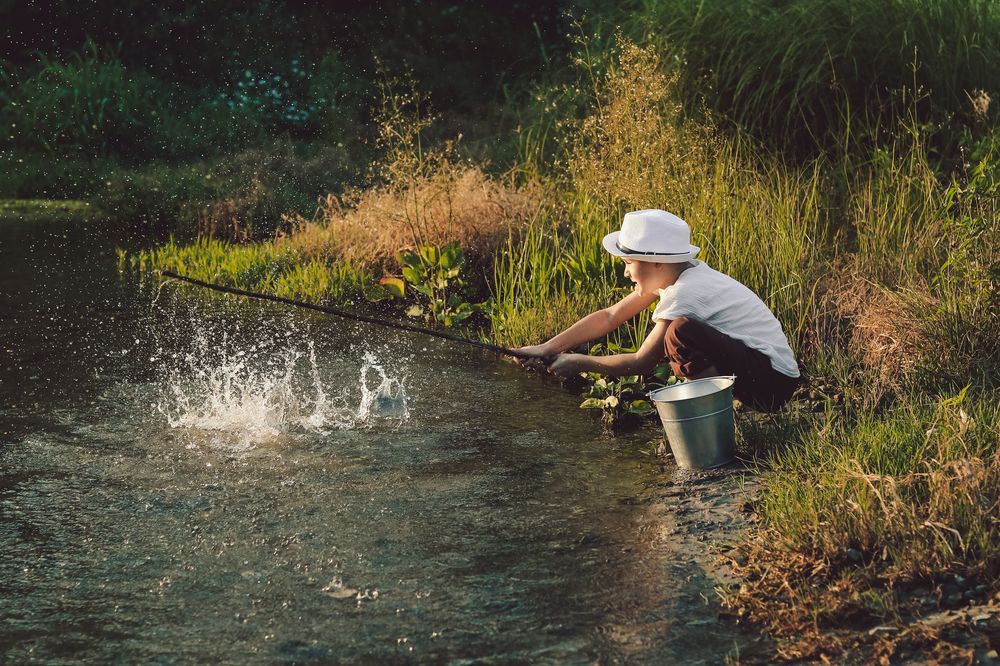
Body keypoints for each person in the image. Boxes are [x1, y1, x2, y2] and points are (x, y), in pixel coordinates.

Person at [516, 209, 801, 412]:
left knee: (679, 334)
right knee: (681, 332)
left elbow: (641, 362)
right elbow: (610, 316)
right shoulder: (679, 274)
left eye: (628, 262)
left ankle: (714, 412)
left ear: (657, 263)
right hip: (766, 372)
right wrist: (547, 347)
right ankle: (722, 404)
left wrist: (578, 361)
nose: (626, 272)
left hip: (772, 385)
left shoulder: (685, 292)